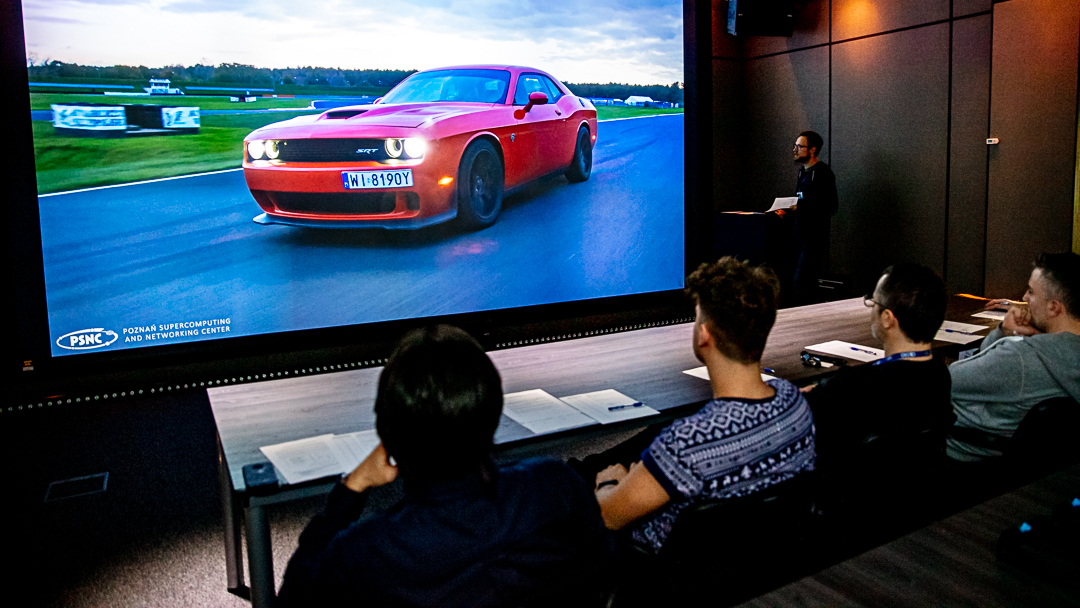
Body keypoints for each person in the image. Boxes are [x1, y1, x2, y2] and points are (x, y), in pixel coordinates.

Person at [276, 325, 615, 607]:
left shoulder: (360, 553)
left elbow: (293, 600)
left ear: (387, 434)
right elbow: (599, 566)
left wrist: (351, 489)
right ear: (493, 416)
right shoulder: (556, 484)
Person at [582, 257, 816, 553]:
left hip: (655, 571)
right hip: (757, 556)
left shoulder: (687, 442)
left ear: (705, 333)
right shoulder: (795, 403)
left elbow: (609, 516)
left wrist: (608, 483)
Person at [802, 263, 955, 477]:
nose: (871, 308)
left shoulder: (856, 385)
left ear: (887, 319)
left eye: (873, 302)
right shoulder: (940, 374)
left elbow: (799, 416)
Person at [947, 252, 1080, 462]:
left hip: (962, 450)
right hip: (1038, 465)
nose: (1024, 300)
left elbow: (943, 381)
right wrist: (1004, 333)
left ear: (1054, 307)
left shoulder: (1021, 357)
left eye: (1031, 292)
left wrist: (1002, 335)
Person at [790, 130, 839, 304]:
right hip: (799, 235)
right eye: (795, 146)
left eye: (799, 146)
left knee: (801, 280)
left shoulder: (823, 173)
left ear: (812, 150)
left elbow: (831, 205)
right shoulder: (802, 172)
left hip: (814, 237)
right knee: (803, 280)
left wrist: (801, 207)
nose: (795, 150)